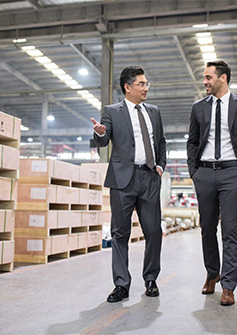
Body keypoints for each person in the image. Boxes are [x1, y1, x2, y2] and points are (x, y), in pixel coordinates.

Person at [186, 60, 237, 306]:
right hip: (205, 173)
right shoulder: (198, 107)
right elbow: (192, 142)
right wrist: (194, 171)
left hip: (233, 173)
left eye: (209, 77)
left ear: (223, 78)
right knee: (207, 228)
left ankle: (228, 285)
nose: (204, 82)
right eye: (204, 77)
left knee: (231, 230)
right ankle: (213, 274)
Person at [91, 65, 167, 303]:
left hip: (149, 178)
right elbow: (102, 142)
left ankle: (151, 279)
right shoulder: (112, 111)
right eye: (141, 84)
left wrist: (161, 165)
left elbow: (161, 142)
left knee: (154, 230)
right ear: (128, 87)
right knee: (120, 233)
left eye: (147, 84)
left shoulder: (153, 111)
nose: (146, 88)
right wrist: (100, 134)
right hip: (123, 179)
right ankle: (121, 284)